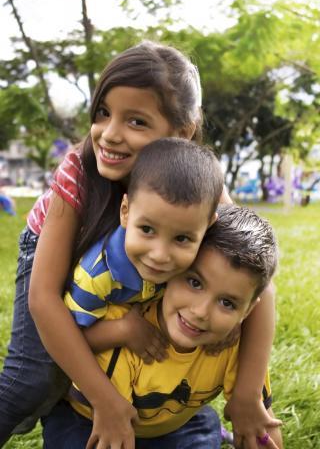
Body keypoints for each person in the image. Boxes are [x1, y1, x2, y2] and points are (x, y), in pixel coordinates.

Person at [0, 40, 277, 449]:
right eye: (103, 113)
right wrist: (106, 402)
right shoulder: (79, 169)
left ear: (182, 133)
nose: (109, 135)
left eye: (136, 122)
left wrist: (248, 395)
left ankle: (180, 424)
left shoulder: (197, 182)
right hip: (56, 250)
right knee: (32, 376)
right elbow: (43, 299)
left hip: (143, 259)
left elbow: (258, 282)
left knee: (174, 340)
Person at [42, 204, 283, 449]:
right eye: (194, 282)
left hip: (178, 426)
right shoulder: (128, 331)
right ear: (170, 270)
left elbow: (262, 430)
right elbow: (113, 429)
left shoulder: (237, 346)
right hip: (92, 420)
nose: (200, 312)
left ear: (248, 311)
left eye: (226, 302)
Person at [64, 137, 224, 366]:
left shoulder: (201, 261)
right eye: (147, 229)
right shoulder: (96, 274)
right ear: (126, 211)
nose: (159, 255)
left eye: (182, 238)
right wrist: (123, 330)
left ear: (207, 227)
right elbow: (70, 340)